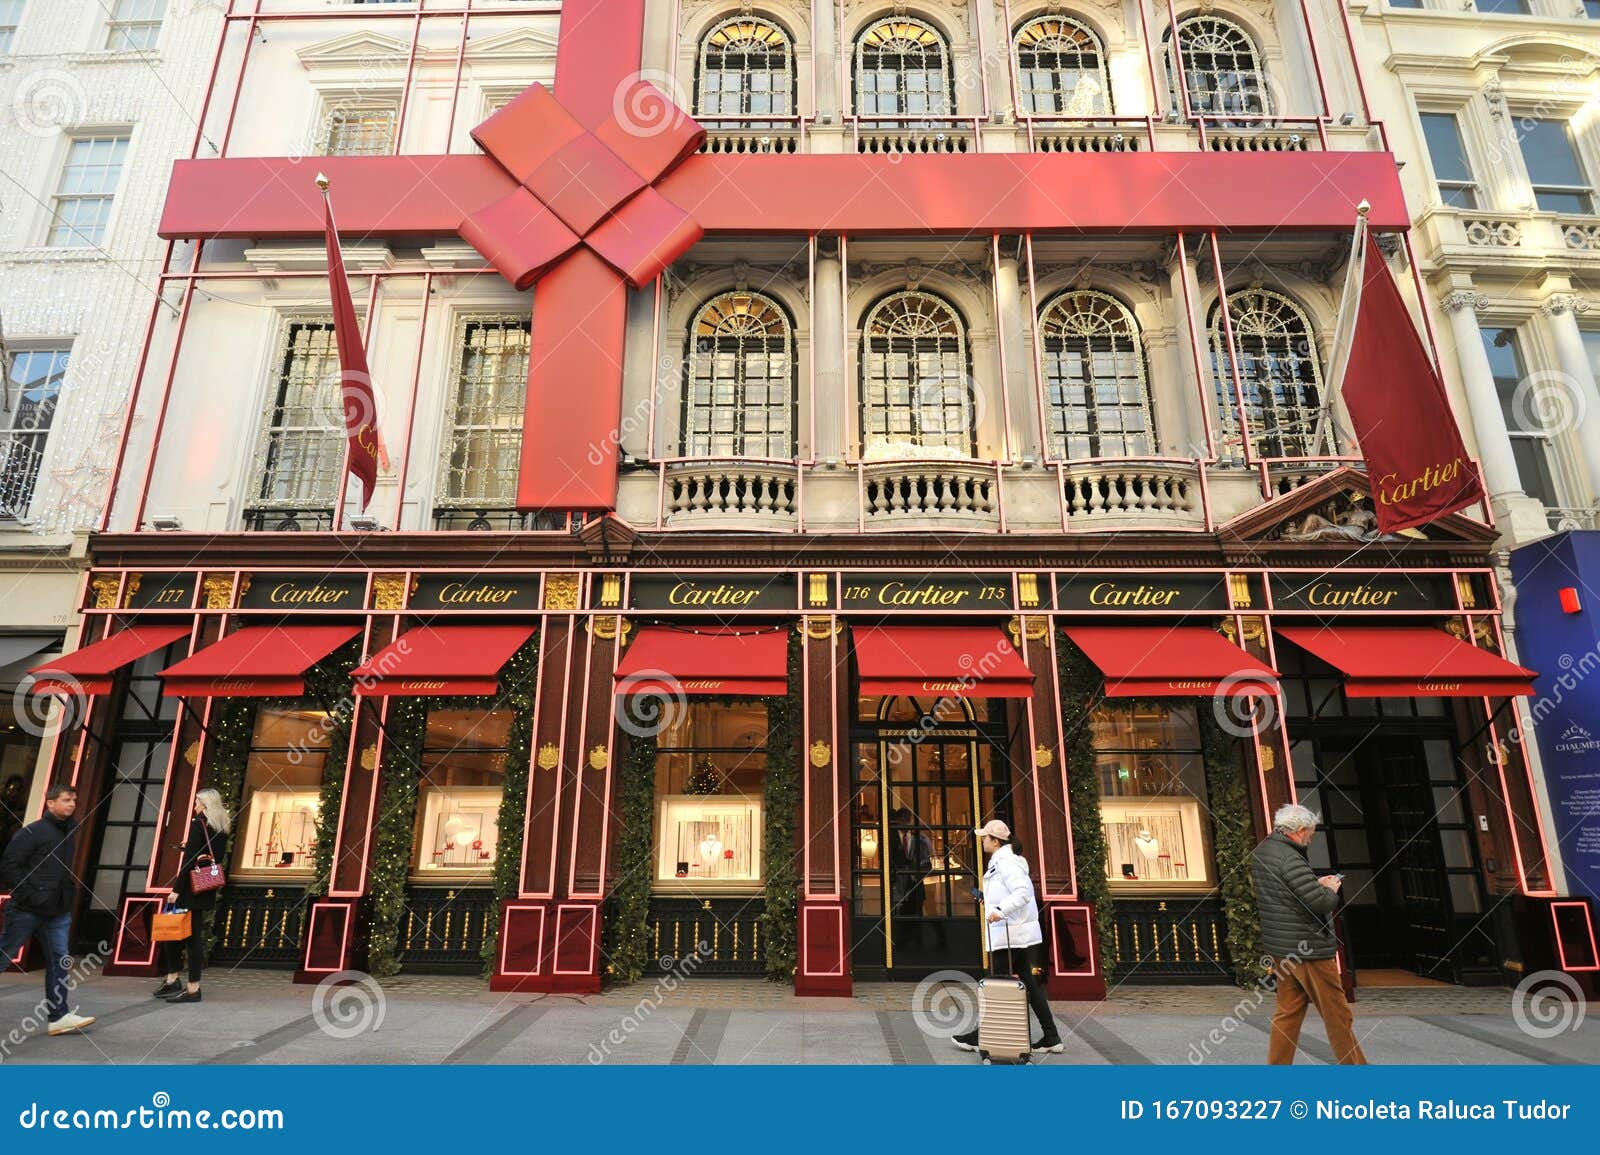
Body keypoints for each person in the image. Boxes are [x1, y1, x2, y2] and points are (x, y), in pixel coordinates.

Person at [1251, 803, 1367, 1065]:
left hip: (1282, 947)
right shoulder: (1290, 857)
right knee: (1337, 1014)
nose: (1310, 838)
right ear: (1299, 830)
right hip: (1309, 948)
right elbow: (1320, 904)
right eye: (1310, 833)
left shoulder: (1265, 850)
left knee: (1288, 1012)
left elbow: (1284, 892)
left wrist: (1314, 883)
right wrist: (1331, 888)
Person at [953, 819, 1063, 1055]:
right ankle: (1051, 1036)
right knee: (1030, 985)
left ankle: (979, 1036)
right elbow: (1008, 894)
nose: (982, 841)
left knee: (996, 983)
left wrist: (1000, 911)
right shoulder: (1004, 862)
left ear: (996, 841)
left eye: (985, 837)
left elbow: (1023, 893)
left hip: (1010, 934)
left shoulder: (1006, 863)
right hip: (1014, 933)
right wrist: (987, 899)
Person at [0, 784, 95, 1035]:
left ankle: (59, 1016)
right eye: (66, 800)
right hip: (25, 910)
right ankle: (59, 1015)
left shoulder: (70, 831)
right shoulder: (33, 832)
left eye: (74, 800)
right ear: (50, 803)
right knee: (3, 955)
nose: (72, 804)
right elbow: (9, 865)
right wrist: (31, 894)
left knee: (59, 961)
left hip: (57, 910)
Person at [155, 788, 231, 1004]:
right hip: (206, 884)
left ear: (205, 804)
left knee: (175, 934)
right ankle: (178, 982)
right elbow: (211, 855)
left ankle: (188, 986)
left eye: (197, 801)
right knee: (192, 937)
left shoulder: (198, 824)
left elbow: (189, 861)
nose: (195, 805)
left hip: (190, 887)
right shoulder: (221, 826)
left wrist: (176, 890)